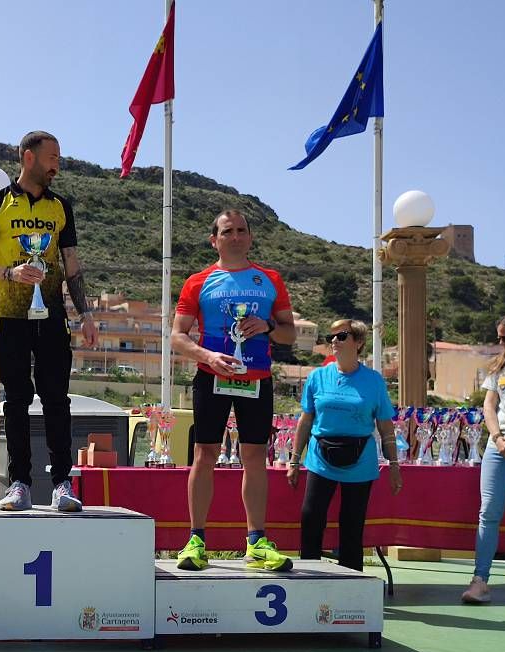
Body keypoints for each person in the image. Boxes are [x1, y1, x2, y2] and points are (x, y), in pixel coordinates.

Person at [0, 130, 98, 512]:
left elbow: (72, 265)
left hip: (53, 316)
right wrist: (10, 273)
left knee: (57, 399)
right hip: (9, 314)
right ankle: (19, 483)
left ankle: (62, 483)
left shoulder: (61, 206)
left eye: (59, 157)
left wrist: (85, 313)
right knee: (18, 400)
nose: (57, 163)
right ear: (28, 158)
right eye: (52, 156)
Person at [171, 209, 297, 571]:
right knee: (204, 454)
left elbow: (289, 333)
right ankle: (196, 540)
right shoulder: (198, 282)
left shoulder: (269, 279)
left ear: (250, 237)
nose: (237, 236)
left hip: (256, 377)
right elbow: (177, 336)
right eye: (228, 231)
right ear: (215, 240)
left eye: (242, 230)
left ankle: (256, 542)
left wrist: (269, 325)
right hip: (213, 376)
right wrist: (208, 356)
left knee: (255, 457)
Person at [287, 320, 403, 571]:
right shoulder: (317, 376)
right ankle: (310, 575)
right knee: (311, 518)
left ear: (358, 343)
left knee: (352, 525)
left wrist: (394, 464)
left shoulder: (374, 381)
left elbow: (385, 427)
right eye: (332, 336)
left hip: (360, 461)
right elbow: (305, 421)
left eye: (342, 336)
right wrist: (294, 460)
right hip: (320, 458)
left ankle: (351, 586)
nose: (334, 341)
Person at [462, 311, 505, 603]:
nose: (500, 343)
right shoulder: (499, 368)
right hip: (499, 448)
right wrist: (497, 438)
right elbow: (489, 406)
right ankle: (479, 580)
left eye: (504, 337)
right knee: (488, 513)